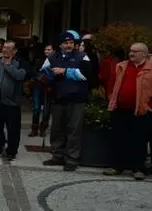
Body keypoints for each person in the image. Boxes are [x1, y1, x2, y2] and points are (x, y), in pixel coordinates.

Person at [42, 30, 92, 171]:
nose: (69, 45)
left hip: (77, 99)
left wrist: (64, 71)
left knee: (73, 129)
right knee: (57, 129)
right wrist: (48, 77)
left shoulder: (82, 56)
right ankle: (57, 156)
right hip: (58, 98)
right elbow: (43, 73)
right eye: (66, 43)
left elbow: (86, 75)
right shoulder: (52, 57)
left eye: (71, 42)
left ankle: (71, 159)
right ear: (60, 44)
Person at [104, 43, 152, 180]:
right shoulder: (122, 66)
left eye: (135, 52)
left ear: (144, 54)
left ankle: (137, 168)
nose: (131, 54)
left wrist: (149, 106)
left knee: (139, 140)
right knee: (118, 138)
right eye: (130, 51)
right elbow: (111, 85)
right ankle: (116, 166)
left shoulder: (150, 68)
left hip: (141, 110)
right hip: (120, 109)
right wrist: (111, 99)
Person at [0, 41, 28, 161]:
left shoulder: (20, 63)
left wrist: (8, 66)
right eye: (4, 47)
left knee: (12, 129)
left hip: (12, 103)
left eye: (9, 48)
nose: (5, 50)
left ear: (14, 51)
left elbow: (20, 76)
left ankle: (11, 151)